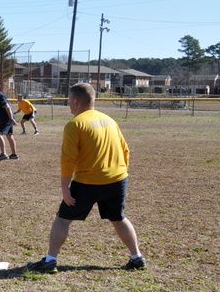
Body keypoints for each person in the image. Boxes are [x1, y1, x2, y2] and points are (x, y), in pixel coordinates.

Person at [27, 83, 146, 274]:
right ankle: (137, 257)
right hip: (118, 179)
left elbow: (68, 160)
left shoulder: (75, 124)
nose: (68, 105)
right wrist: (120, 173)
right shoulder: (110, 120)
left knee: (63, 219)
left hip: (88, 183)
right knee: (119, 218)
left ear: (76, 101)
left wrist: (65, 188)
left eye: (69, 101)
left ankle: (50, 260)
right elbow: (126, 150)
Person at [0, 82, 18, 161]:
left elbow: (7, 107)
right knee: (9, 135)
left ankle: (3, 154)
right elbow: (0, 109)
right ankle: (14, 154)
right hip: (5, 118)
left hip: (6, 118)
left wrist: (11, 119)